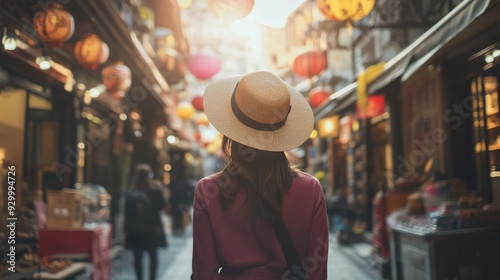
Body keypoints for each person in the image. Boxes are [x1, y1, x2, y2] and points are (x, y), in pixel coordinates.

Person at [191, 71, 329, 279]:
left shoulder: (209, 191)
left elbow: (204, 274)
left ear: (231, 135)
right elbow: (317, 272)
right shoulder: (310, 189)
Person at [124, 163, 167, 280]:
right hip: (152, 230)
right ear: (149, 175)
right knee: (153, 258)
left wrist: (126, 231)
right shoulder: (155, 190)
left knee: (138, 258)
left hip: (136, 231)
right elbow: (162, 205)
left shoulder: (132, 191)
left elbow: (127, 214)